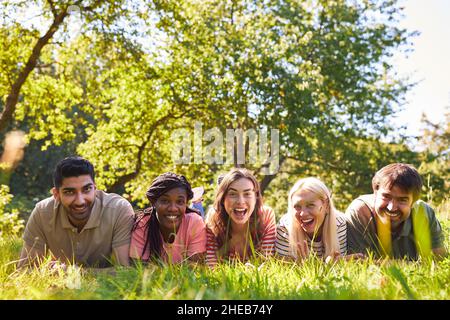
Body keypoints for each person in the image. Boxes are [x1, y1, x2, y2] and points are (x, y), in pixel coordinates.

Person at [18, 156, 135, 268]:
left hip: (107, 288)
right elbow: (25, 269)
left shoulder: (119, 210)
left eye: (87, 189)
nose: (80, 201)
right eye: (70, 192)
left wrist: (75, 273)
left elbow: (125, 271)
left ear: (95, 189)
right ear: (56, 194)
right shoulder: (42, 213)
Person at [345, 163, 447, 260]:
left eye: (402, 200)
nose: (392, 207)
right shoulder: (360, 212)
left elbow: (438, 261)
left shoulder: (423, 213)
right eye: (386, 196)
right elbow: (358, 264)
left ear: (413, 202)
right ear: (375, 193)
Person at [129, 172, 206, 264]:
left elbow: (194, 268)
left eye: (180, 202)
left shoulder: (194, 223)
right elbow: (139, 268)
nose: (173, 208)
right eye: (165, 201)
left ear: (186, 203)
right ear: (153, 202)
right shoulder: (143, 225)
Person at [205, 168, 276, 267]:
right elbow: (211, 266)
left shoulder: (266, 216)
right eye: (233, 194)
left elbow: (267, 263)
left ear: (256, 197)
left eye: (247, 194)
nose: (240, 201)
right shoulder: (214, 219)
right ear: (223, 198)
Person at [275, 177, 349, 262]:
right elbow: (283, 269)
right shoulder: (285, 229)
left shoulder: (339, 224)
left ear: (327, 205)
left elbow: (338, 266)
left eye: (310, 205)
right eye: (297, 207)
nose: (303, 213)